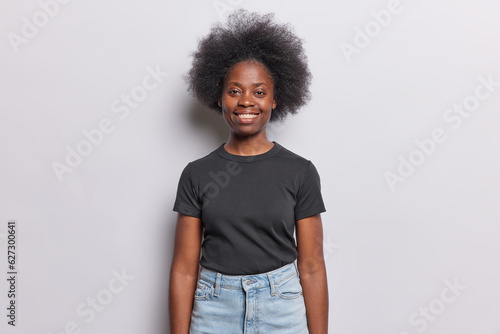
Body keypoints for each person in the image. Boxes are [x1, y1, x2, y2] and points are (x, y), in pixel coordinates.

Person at [169, 9, 328, 334]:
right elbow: (185, 269)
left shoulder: (301, 172)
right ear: (218, 96)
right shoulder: (196, 175)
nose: (246, 101)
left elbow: (311, 266)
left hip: (281, 306)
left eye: (259, 92)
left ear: (275, 99)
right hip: (215, 307)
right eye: (234, 90)